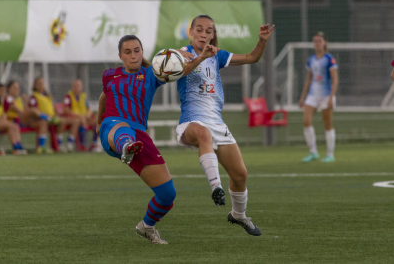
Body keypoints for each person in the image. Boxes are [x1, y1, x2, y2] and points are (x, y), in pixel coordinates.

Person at [96, 34, 217, 244]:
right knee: (124, 130)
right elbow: (104, 97)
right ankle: (126, 146)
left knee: (167, 194)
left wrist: (202, 56)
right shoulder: (110, 75)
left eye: (137, 51)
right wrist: (99, 123)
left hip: (139, 137)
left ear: (142, 52)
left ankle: (147, 226)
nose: (133, 56)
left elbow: (182, 69)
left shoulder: (152, 74)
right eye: (127, 52)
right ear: (120, 56)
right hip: (113, 128)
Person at [176, 14, 274, 236]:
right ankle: (216, 187)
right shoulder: (181, 54)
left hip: (217, 123)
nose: (203, 34)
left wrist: (262, 40)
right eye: (199, 29)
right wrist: (200, 57)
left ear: (213, 35)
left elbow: (252, 57)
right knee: (203, 134)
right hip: (192, 121)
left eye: (208, 31)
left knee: (240, 175)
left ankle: (238, 215)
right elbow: (184, 70)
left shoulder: (217, 55)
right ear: (190, 32)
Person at [298, 32, 339, 163]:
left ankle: (330, 154)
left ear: (324, 43)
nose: (317, 43)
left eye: (319, 41)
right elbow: (308, 80)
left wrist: (332, 97)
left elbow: (335, 80)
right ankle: (313, 152)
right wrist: (302, 97)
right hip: (312, 95)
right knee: (306, 121)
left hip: (326, 95)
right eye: (315, 41)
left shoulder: (329, 59)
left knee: (327, 124)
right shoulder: (311, 59)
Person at [29, 77, 79, 152]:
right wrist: (45, 117)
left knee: (65, 121)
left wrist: (56, 115)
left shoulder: (47, 96)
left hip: (51, 118)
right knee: (44, 123)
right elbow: (33, 110)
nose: (41, 85)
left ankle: (64, 144)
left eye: (42, 83)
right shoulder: (33, 96)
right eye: (39, 84)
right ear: (35, 86)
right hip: (41, 119)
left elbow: (52, 108)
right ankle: (42, 147)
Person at [4, 80, 53, 154]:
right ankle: (49, 118)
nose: (17, 90)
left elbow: (25, 110)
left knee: (42, 122)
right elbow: (16, 110)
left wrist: (25, 101)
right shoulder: (8, 98)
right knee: (33, 109)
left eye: (18, 88)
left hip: (23, 121)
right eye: (14, 88)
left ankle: (41, 148)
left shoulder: (18, 99)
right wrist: (27, 112)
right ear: (9, 89)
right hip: (14, 121)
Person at [63, 79, 100, 152]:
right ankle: (82, 145)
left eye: (79, 86)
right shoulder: (68, 96)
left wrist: (88, 114)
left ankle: (94, 144)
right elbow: (66, 110)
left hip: (84, 117)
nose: (77, 87)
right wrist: (79, 116)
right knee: (82, 121)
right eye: (75, 86)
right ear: (72, 87)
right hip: (75, 117)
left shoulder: (83, 96)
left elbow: (88, 108)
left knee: (97, 121)